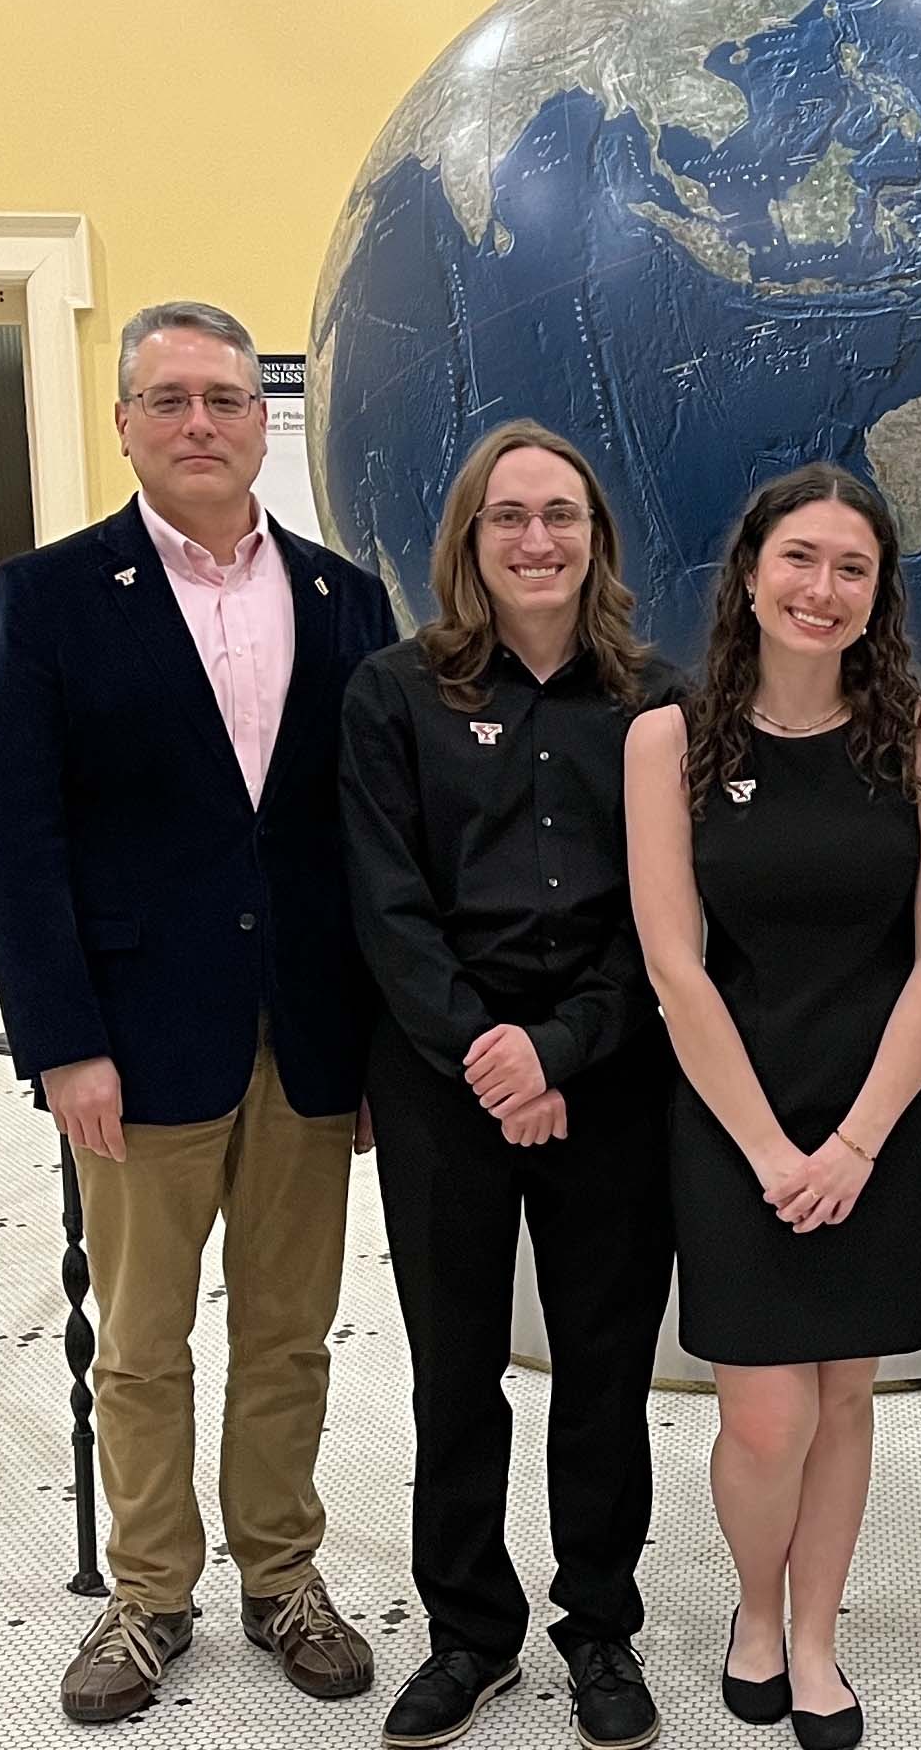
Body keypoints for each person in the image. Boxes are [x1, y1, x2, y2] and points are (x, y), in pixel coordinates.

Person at [0, 300, 392, 1724]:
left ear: (262, 421)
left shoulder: (343, 601)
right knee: (143, 1343)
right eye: (168, 400)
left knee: (290, 1333)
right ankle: (150, 1596)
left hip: (312, 1040)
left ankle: (282, 1575)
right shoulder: (52, 595)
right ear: (126, 424)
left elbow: (375, 838)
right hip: (136, 1045)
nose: (199, 421)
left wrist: (385, 1043)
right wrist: (62, 1040)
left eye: (223, 397)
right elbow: (15, 839)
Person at [625, 465, 921, 1750]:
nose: (821, 590)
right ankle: (750, 1613)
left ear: (878, 593)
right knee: (764, 1412)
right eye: (799, 560)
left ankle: (811, 1638)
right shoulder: (669, 739)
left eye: (851, 569)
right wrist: (777, 1150)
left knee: (843, 1401)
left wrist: (856, 1143)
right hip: (735, 1117)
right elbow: (673, 961)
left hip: (879, 1111)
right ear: (751, 571)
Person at [340, 422, 681, 1750]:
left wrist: (560, 1048)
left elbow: (665, 914)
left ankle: (598, 1626)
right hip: (441, 1081)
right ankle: (469, 1633)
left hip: (607, 1079)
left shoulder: (658, 702)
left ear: (596, 537)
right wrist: (489, 1051)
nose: (536, 540)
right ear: (467, 541)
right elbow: (385, 902)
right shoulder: (391, 695)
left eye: (562, 515)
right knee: (454, 1373)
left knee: (604, 1371)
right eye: (508, 517)